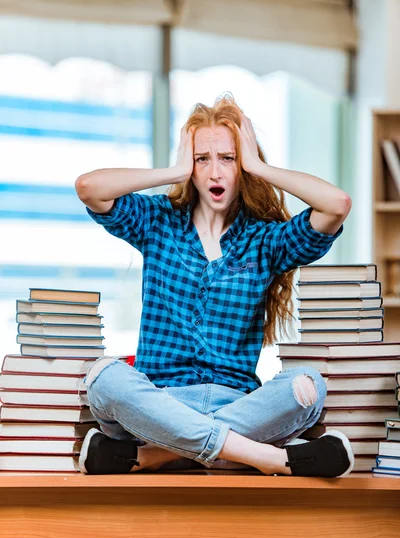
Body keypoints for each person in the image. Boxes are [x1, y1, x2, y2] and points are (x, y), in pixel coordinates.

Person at [75, 94, 354, 478]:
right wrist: (172, 172)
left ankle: (160, 455)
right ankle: (267, 458)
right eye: (201, 159)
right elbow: (90, 187)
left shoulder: (265, 241)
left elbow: (336, 204)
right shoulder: (158, 222)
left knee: (308, 386)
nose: (214, 173)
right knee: (106, 377)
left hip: (234, 404)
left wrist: (256, 163)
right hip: (159, 402)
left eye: (228, 158)